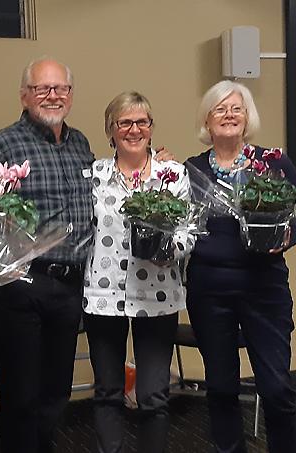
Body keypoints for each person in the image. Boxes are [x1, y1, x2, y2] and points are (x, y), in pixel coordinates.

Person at [0, 57, 94, 453]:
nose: (53, 95)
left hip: (70, 285)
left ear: (71, 96)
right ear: (25, 95)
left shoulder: (80, 144)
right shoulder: (1, 144)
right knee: (21, 397)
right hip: (23, 285)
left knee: (56, 393)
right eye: (43, 88)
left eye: (61, 88)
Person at [185, 80, 296, 453]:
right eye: (219, 109)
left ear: (247, 117)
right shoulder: (190, 170)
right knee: (221, 388)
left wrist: (286, 238)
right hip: (209, 291)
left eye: (236, 108)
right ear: (207, 121)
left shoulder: (272, 162)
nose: (228, 115)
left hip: (264, 289)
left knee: (276, 388)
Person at [83, 91, 192, 453]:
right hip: (103, 296)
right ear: (110, 130)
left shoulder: (172, 174)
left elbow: (187, 231)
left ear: (151, 127)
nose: (134, 129)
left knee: (154, 395)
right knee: (107, 392)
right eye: (124, 122)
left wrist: (169, 251)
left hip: (158, 295)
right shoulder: (94, 175)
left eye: (141, 122)